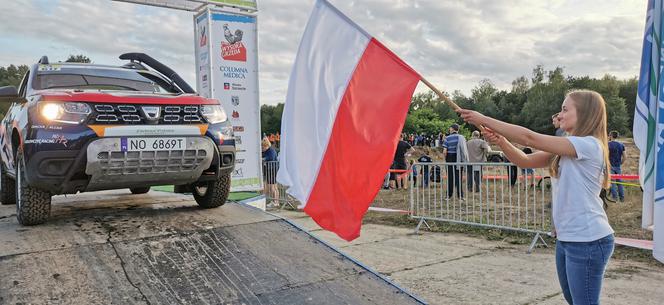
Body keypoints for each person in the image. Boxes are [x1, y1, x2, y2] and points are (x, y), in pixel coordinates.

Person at [460, 90, 614, 305]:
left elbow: (529, 138)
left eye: (565, 109)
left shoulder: (588, 145)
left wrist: (483, 119)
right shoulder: (567, 147)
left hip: (587, 240)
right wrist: (502, 142)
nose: (559, 115)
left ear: (586, 114)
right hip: (567, 238)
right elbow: (524, 160)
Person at [442, 124, 468, 200]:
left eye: (450, 128)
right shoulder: (462, 138)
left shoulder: (447, 138)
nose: (449, 130)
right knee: (458, 177)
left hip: (450, 157)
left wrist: (445, 158)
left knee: (450, 177)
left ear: (452, 129)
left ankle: (448, 196)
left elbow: (444, 151)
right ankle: (460, 196)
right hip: (459, 158)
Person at [608, 131, 626, 202]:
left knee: (612, 183)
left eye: (609, 135)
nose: (608, 136)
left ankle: (615, 198)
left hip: (610, 166)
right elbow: (625, 157)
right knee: (619, 183)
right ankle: (622, 198)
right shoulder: (621, 145)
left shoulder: (607, 144)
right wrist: (620, 163)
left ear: (611, 136)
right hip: (618, 166)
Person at [262, 138, 279, 208]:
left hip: (272, 170)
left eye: (263, 147)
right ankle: (275, 201)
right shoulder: (267, 151)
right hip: (270, 170)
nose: (262, 148)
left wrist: (263, 159)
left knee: (273, 187)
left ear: (266, 145)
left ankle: (275, 202)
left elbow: (270, 158)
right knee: (273, 187)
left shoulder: (271, 151)